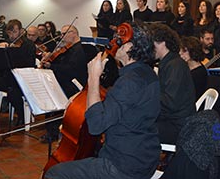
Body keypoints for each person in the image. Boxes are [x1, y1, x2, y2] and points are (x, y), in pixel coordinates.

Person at [45, 23, 161, 179]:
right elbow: (123, 105)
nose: (114, 42)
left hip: (122, 165)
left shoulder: (129, 81)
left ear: (129, 47)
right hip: (146, 157)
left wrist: (93, 78)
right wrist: (84, 95)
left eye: (119, 39)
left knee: (54, 174)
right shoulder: (147, 73)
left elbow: (96, 125)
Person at [40, 25, 88, 142]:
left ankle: (53, 132)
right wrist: (50, 58)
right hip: (67, 80)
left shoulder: (79, 50)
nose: (61, 37)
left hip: (74, 84)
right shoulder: (70, 49)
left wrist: (52, 66)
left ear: (74, 34)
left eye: (64, 34)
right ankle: (52, 129)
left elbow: (70, 69)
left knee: (53, 93)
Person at [151, 23, 196, 144]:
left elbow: (170, 103)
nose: (150, 48)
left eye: (152, 43)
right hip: (173, 120)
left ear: (162, 43)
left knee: (135, 128)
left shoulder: (175, 65)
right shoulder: (169, 63)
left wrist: (147, 96)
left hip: (179, 126)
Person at [179, 36, 208, 100]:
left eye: (184, 51)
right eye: (180, 50)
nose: (180, 53)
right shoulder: (187, 67)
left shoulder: (199, 73)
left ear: (193, 51)